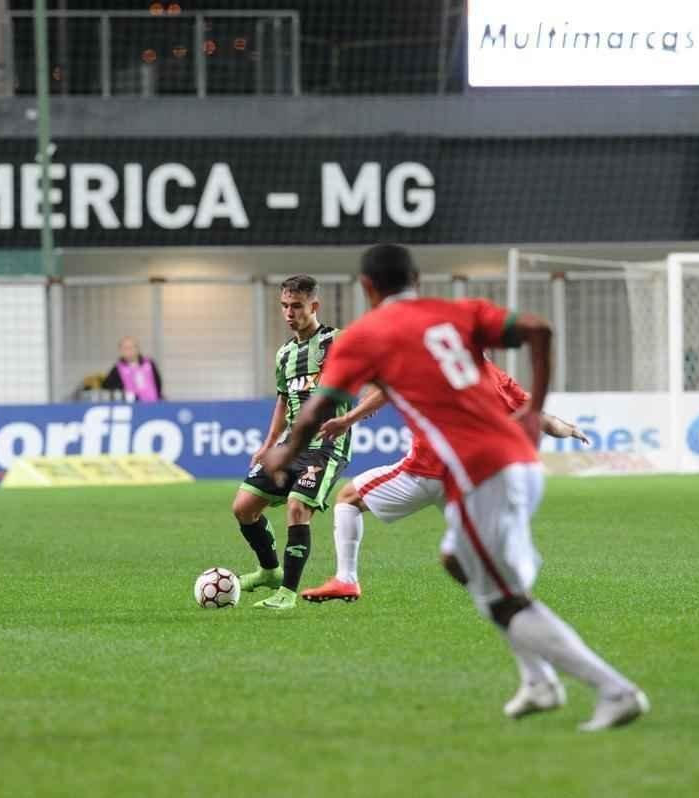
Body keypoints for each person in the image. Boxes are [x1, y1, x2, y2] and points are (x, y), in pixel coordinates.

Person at [261, 244, 648, 731]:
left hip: (479, 471)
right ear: (417, 279)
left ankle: (614, 690)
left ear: (367, 288)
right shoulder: (456, 313)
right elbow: (538, 329)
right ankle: (538, 680)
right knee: (460, 562)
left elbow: (320, 406)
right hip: (515, 464)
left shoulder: (367, 336)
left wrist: (285, 449)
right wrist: (534, 412)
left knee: (504, 597)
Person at [303, 363, 588, 605]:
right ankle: (512, 589)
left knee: (348, 497)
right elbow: (540, 418)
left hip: (424, 472)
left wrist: (351, 417)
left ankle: (346, 579)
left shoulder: (435, 363)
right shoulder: (495, 377)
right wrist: (571, 429)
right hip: (466, 480)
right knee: (480, 546)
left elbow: (389, 384)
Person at [232, 275, 354, 611]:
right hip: (289, 446)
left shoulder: (337, 342)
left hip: (327, 445)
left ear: (314, 306)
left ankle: (287, 593)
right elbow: (283, 401)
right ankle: (269, 571)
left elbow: (372, 374)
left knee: (298, 507)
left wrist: (355, 414)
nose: (289, 313)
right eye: (284, 306)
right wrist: (268, 444)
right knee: (243, 507)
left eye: (296, 306)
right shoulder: (284, 353)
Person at [101, 337, 163, 401]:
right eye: (125, 348)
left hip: (153, 403)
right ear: (121, 351)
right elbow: (107, 387)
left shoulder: (149, 363)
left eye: (131, 347)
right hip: (132, 406)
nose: (129, 351)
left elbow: (158, 382)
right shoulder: (117, 369)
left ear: (137, 349)